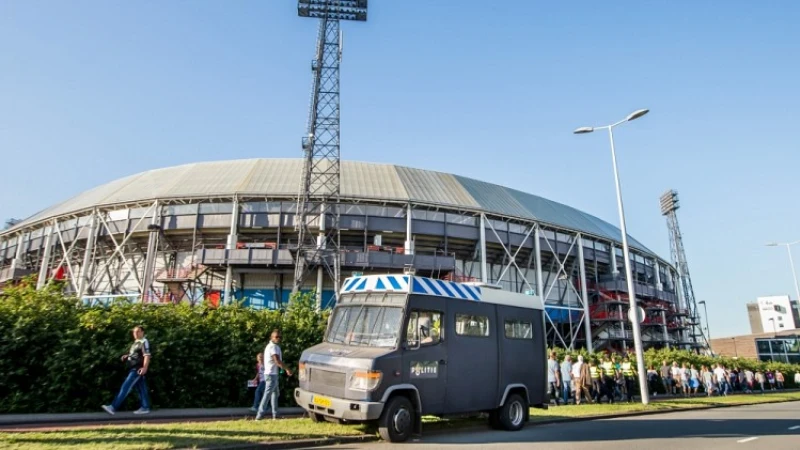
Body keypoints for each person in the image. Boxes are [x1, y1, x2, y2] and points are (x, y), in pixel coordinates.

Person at [102, 325, 152, 415]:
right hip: (134, 368)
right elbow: (136, 354)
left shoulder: (144, 341)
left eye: (138, 331)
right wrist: (127, 356)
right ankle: (145, 407)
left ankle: (113, 407)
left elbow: (147, 355)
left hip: (137, 369)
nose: (135, 333)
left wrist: (144, 368)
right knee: (141, 388)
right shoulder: (136, 342)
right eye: (134, 332)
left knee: (125, 387)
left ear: (142, 332)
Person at [256, 329, 293, 420]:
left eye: (279, 337)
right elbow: (277, 361)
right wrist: (287, 369)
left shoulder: (271, 346)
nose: (278, 338)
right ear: (271, 337)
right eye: (276, 337)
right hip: (271, 374)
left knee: (274, 394)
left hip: (272, 374)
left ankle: (275, 415)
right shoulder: (273, 347)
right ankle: (259, 416)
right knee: (267, 394)